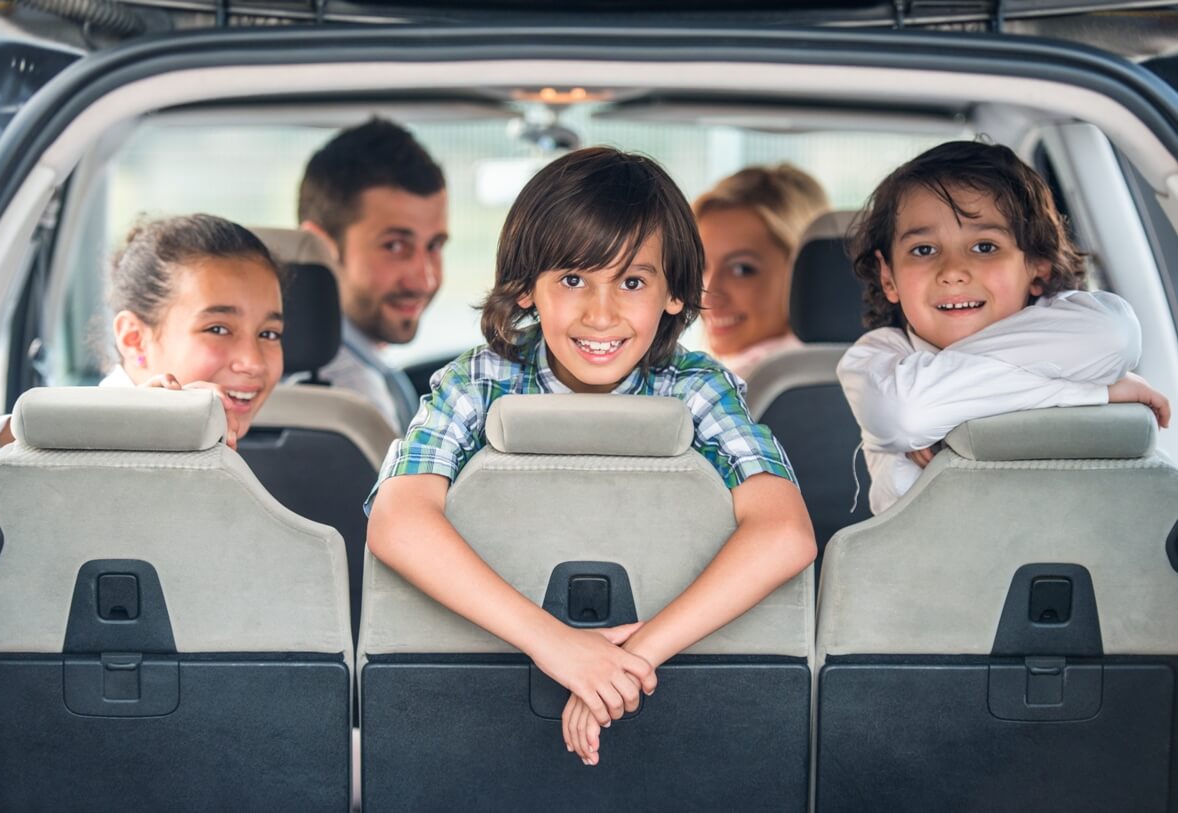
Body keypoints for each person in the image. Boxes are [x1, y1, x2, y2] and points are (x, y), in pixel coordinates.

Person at [366, 147, 816, 766]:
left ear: (674, 295)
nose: (600, 314)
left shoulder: (697, 387)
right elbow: (397, 521)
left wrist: (627, 661)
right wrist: (557, 647)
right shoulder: (476, 381)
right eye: (573, 279)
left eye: (632, 282)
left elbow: (786, 533)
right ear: (527, 289)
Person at [838, 140, 1171, 515]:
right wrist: (1092, 392)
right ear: (888, 277)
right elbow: (907, 414)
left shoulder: (1068, 321)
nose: (952, 272)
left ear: (1038, 264)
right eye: (924, 250)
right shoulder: (875, 358)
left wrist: (947, 410)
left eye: (984, 247)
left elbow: (1116, 335)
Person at [0, 213, 287, 490]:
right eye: (217, 329)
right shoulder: (55, 447)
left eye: (269, 334)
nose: (253, 363)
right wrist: (118, 422)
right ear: (134, 339)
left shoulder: (262, 464)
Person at [297, 117, 448, 433]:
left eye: (434, 246)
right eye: (394, 246)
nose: (425, 279)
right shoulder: (353, 398)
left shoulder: (365, 367)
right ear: (322, 247)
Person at [693, 164, 830, 379]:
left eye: (741, 269)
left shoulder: (732, 393)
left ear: (803, 273)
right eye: (700, 266)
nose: (707, 296)